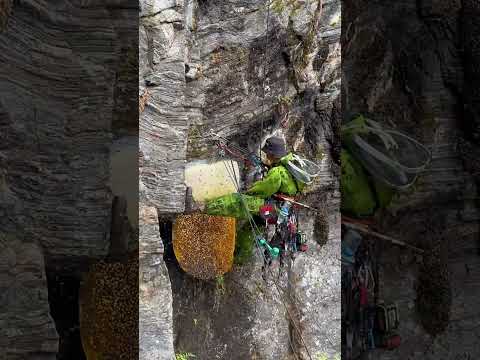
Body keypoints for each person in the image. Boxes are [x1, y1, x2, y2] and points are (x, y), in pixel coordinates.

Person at [189, 136, 303, 219]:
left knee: (236, 202)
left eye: (267, 153)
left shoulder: (277, 172)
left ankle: (202, 208)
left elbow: (260, 192)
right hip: (283, 209)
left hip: (272, 208)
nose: (266, 155)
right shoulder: (290, 163)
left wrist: (246, 191)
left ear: (272, 154)